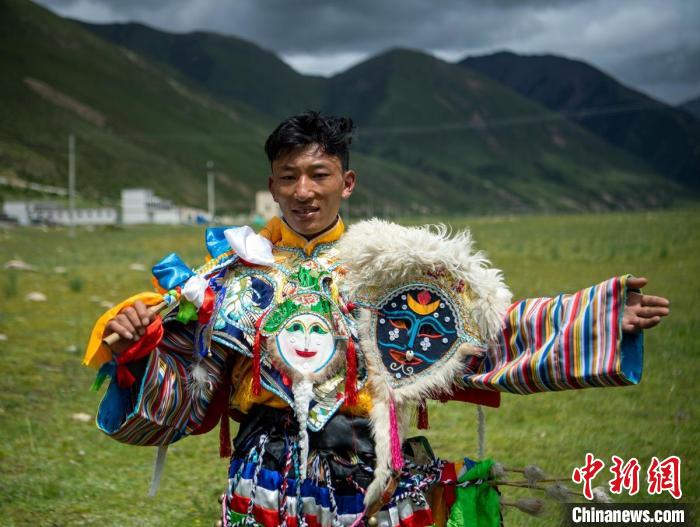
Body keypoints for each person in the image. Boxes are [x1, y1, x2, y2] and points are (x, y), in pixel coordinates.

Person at [84, 111, 670, 526]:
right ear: (271, 186)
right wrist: (140, 349)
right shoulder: (231, 278)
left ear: (347, 182)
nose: (304, 191)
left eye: (319, 174)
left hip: (371, 471)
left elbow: (480, 330)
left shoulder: (391, 268)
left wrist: (596, 319)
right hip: (264, 477)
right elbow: (194, 387)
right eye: (288, 176)